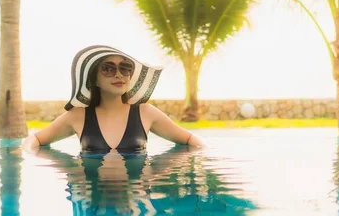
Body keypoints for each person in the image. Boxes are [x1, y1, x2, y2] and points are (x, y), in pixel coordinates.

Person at [23, 45, 205, 153]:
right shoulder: (77, 116)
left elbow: (190, 139)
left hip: (133, 198)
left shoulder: (145, 113)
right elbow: (36, 139)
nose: (119, 75)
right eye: (108, 69)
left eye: (125, 68)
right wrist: (27, 154)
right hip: (93, 200)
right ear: (95, 79)